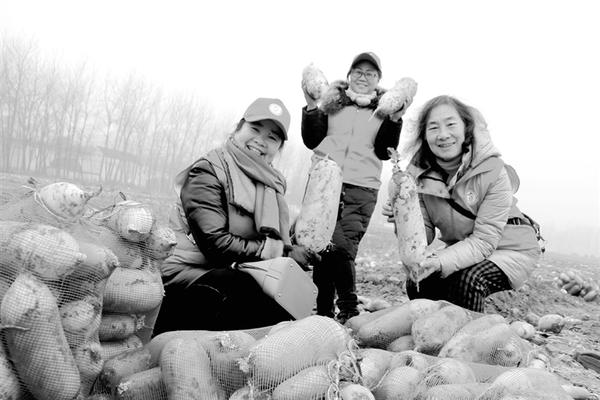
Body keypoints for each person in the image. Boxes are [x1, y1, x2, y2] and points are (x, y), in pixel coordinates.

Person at [153, 97, 318, 335]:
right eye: (255, 129)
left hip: (233, 271)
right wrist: (278, 251)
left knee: (286, 300)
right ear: (239, 127)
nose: (261, 140)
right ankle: (174, 338)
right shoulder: (208, 170)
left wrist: (296, 249)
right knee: (243, 292)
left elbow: (267, 240)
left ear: (279, 147)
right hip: (187, 272)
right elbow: (215, 244)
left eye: (272, 137)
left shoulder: (271, 184)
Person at [383, 95, 542, 312]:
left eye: (450, 124)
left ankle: (472, 332)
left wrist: (439, 261)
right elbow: (424, 235)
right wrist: (403, 219)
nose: (443, 135)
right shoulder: (416, 178)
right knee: (419, 281)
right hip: (467, 247)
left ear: (466, 128)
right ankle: (428, 330)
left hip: (511, 249)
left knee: (468, 281)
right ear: (424, 135)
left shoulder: (493, 172)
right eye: (433, 127)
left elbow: (484, 241)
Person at [301, 52, 405, 323]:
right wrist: (311, 105)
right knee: (321, 246)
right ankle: (324, 311)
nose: (363, 77)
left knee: (342, 247)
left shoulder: (384, 110)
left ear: (378, 80)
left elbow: (384, 151)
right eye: (358, 71)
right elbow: (312, 140)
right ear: (349, 75)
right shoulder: (331, 102)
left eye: (370, 73)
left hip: (361, 186)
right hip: (324, 181)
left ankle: (348, 307)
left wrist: (395, 119)